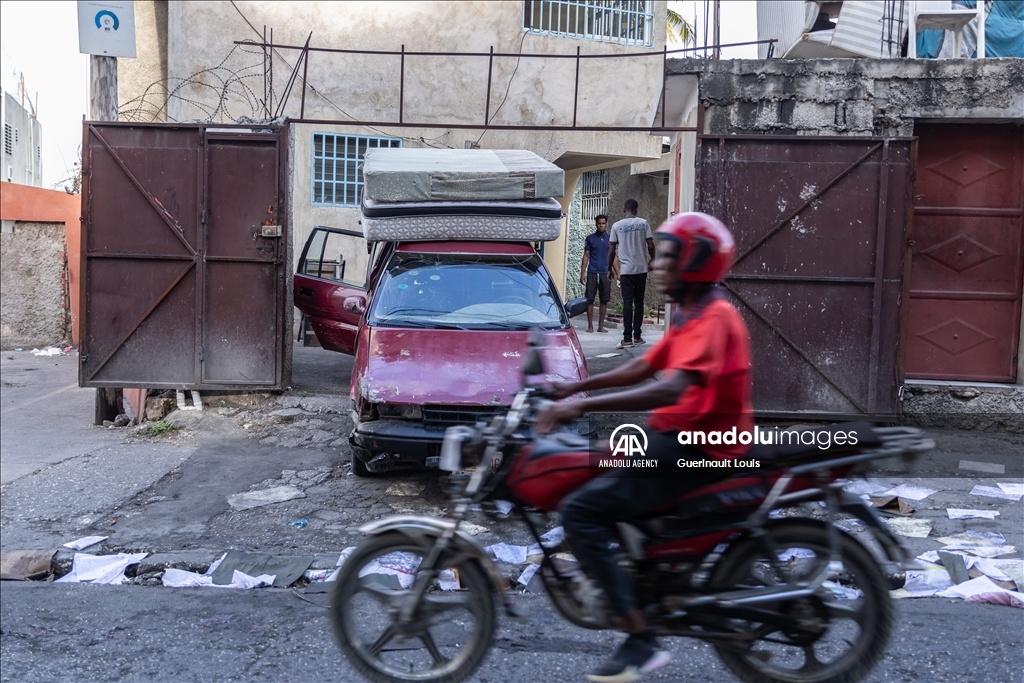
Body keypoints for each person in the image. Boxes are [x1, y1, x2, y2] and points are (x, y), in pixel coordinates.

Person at [536, 212, 753, 683]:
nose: (656, 266)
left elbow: (669, 390)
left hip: (699, 447)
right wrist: (572, 390)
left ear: (695, 261)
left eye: (668, 257)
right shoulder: (693, 312)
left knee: (582, 511)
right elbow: (641, 368)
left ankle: (640, 641)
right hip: (676, 438)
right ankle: (647, 578)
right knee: (594, 470)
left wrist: (578, 406)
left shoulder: (713, 317)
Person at [608, 199, 655, 350]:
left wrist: (609, 268)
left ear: (624, 210)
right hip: (641, 269)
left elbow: (611, 250)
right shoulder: (644, 223)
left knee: (628, 302)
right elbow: (650, 245)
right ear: (636, 210)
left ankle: (627, 338)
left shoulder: (616, 226)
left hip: (626, 271)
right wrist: (653, 259)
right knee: (639, 302)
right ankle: (638, 336)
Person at [580, 214, 614, 333]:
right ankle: (590, 326)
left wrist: (617, 273)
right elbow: (586, 255)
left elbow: (613, 257)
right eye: (599, 223)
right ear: (596, 224)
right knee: (590, 300)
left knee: (604, 300)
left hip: (605, 273)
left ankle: (601, 326)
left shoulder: (610, 239)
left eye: (603, 223)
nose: (601, 225)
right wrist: (582, 273)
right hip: (592, 272)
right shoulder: (590, 238)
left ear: (606, 224)